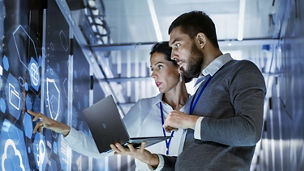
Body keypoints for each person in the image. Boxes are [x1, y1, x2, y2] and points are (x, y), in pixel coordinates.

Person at [111, 11, 266, 171]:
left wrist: (189, 121)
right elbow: (192, 159)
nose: (173, 55)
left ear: (200, 40)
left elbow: (249, 131)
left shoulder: (241, 70)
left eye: (177, 45)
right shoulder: (202, 88)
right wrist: (151, 159)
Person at [28, 41, 191, 171]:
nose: (153, 74)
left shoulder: (198, 110)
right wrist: (65, 130)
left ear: (178, 66)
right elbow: (100, 149)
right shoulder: (144, 108)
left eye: (159, 66)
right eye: (152, 68)